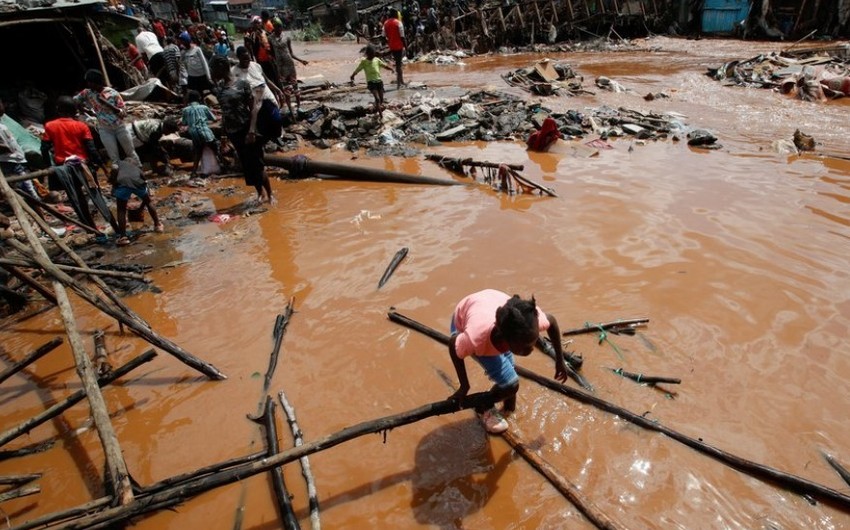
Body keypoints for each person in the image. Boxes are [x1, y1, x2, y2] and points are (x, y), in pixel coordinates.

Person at [448, 289, 568, 434]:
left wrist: (560, 361)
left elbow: (552, 322)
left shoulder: (529, 321)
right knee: (511, 384)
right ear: (504, 339)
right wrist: (464, 386)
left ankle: (508, 408)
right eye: (525, 347)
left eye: (533, 342)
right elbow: (454, 344)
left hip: (486, 302)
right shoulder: (476, 339)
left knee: (509, 376)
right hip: (462, 319)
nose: (531, 350)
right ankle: (484, 405)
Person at [210, 55, 274, 204]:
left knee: (257, 164)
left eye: (213, 68)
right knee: (246, 165)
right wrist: (224, 137)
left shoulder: (242, 84)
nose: (212, 72)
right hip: (233, 132)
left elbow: (253, 109)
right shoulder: (219, 89)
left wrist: (252, 130)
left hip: (247, 130)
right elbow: (225, 114)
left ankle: (270, 195)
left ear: (221, 67)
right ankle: (260, 193)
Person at [41, 96, 106, 228]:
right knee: (94, 191)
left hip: (64, 168)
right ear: (74, 111)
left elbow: (44, 148)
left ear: (58, 110)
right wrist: (101, 165)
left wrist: (49, 166)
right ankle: (105, 218)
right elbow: (91, 149)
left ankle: (89, 226)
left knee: (77, 196)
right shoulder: (81, 126)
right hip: (83, 165)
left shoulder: (50, 126)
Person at [74, 69, 140, 169]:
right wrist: (83, 110)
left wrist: (107, 104)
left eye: (90, 82)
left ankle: (140, 174)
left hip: (120, 127)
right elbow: (75, 100)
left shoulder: (113, 93)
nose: (88, 84)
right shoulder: (88, 93)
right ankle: (120, 178)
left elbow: (123, 113)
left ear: (96, 82)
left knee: (130, 152)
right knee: (114, 157)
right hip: (105, 129)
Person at [111, 156, 163, 246]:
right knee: (148, 202)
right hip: (137, 183)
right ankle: (158, 225)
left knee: (121, 210)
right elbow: (144, 183)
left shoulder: (119, 165)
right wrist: (142, 207)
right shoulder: (137, 169)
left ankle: (123, 237)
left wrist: (114, 187)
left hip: (123, 183)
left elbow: (114, 174)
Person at [269, 18, 309, 120]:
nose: (279, 29)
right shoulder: (270, 39)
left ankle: (299, 108)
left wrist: (301, 60)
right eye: (277, 27)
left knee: (295, 86)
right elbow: (272, 54)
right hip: (281, 68)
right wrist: (274, 64)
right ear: (274, 27)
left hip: (290, 65)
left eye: (280, 26)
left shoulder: (286, 38)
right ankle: (291, 110)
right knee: (286, 89)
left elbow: (291, 53)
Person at [181, 90, 219, 176]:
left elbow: (184, 123)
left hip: (194, 134)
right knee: (215, 148)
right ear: (199, 98)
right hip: (205, 132)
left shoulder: (185, 110)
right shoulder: (204, 107)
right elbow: (214, 119)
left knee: (197, 152)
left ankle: (194, 172)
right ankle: (223, 166)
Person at [350, 44, 394, 116]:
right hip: (371, 83)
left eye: (373, 54)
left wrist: (391, 69)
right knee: (377, 99)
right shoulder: (364, 62)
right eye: (370, 54)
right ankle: (380, 116)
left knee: (381, 99)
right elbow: (358, 69)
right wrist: (353, 75)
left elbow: (384, 66)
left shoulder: (377, 60)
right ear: (367, 54)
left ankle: (376, 109)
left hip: (379, 82)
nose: (372, 56)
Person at [245, 15, 278, 88]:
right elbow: (249, 47)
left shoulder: (265, 33)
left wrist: (274, 56)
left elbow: (271, 45)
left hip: (270, 59)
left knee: (276, 77)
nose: (257, 25)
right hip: (261, 61)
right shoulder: (252, 35)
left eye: (258, 23)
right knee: (267, 78)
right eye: (255, 23)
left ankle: (280, 92)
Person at [383, 8, 406, 88]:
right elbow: (402, 37)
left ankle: (401, 81)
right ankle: (399, 84)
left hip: (391, 46)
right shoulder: (398, 23)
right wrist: (406, 46)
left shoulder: (385, 23)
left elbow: (383, 36)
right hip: (399, 46)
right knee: (398, 65)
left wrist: (389, 41)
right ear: (396, 15)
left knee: (397, 63)